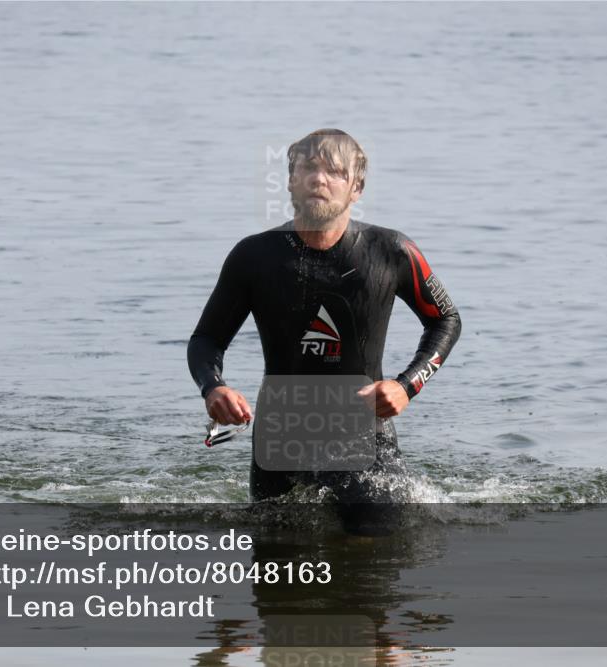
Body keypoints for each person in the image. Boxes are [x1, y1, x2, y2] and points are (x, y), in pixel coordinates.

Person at [187, 129, 461, 513]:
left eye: (335, 171)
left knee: (377, 546)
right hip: (280, 440)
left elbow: (445, 320)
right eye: (308, 168)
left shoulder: (392, 252)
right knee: (278, 560)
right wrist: (213, 388)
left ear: (357, 188)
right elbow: (206, 339)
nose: (319, 179)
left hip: (364, 433)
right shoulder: (253, 256)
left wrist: (406, 386)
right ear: (290, 182)